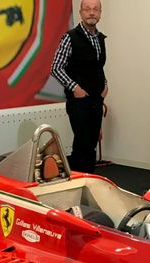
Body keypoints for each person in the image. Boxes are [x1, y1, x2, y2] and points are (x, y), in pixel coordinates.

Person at [51, 0, 107, 174]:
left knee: (91, 144)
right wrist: (75, 88)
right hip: (79, 102)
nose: (92, 13)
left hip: (96, 100)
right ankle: (78, 180)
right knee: (83, 144)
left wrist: (105, 85)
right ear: (81, 12)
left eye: (95, 9)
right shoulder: (70, 37)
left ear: (100, 13)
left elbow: (98, 67)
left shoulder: (100, 39)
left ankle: (88, 179)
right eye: (87, 9)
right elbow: (56, 67)